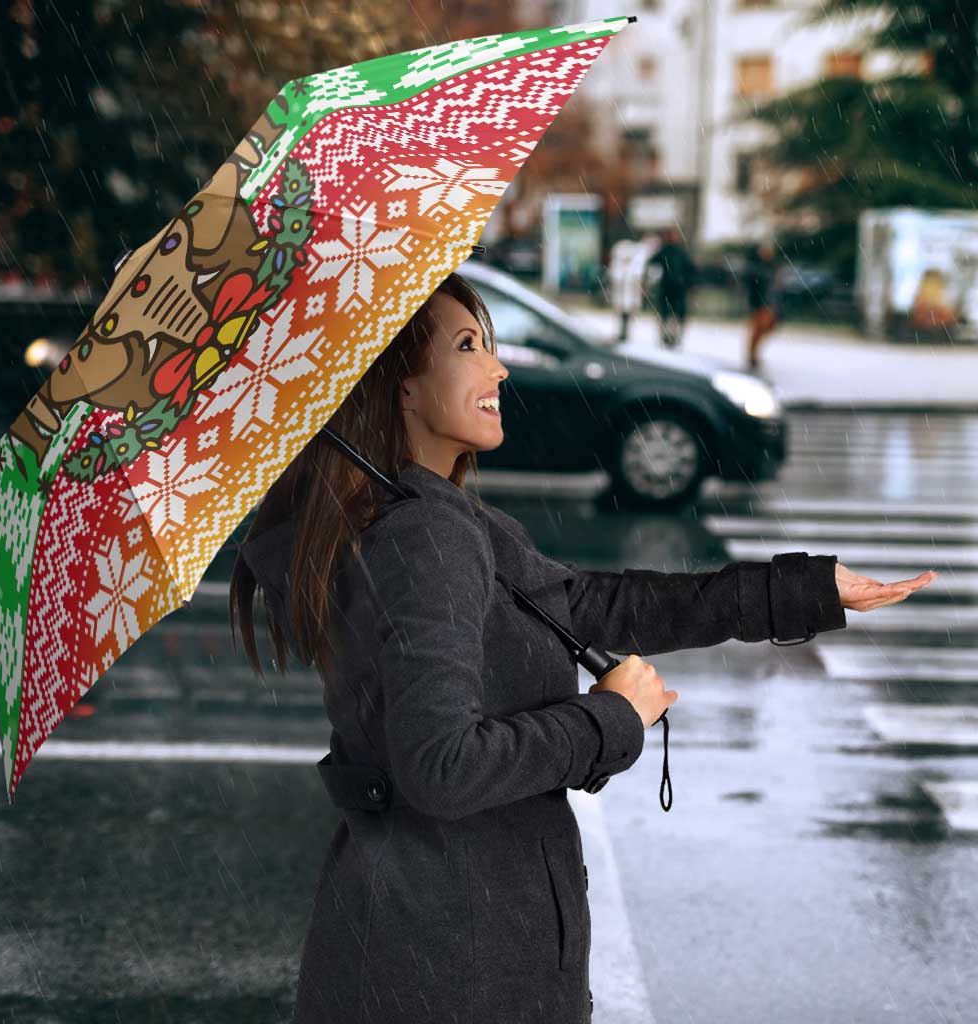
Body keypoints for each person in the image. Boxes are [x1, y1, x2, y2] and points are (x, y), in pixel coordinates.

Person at [229, 271, 914, 1024]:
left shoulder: (422, 519)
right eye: (468, 347)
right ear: (402, 387)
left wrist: (803, 590)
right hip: (454, 963)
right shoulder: (424, 537)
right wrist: (611, 719)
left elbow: (592, 605)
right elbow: (442, 767)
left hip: (426, 942)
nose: (499, 369)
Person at [646, 226, 696, 349]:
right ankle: (667, 337)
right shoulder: (668, 251)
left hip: (676, 289)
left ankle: (673, 337)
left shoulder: (678, 252)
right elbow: (652, 263)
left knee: (673, 315)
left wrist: (689, 284)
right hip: (670, 288)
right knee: (668, 314)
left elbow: (690, 270)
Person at [744, 240, 780, 370]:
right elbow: (753, 286)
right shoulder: (756, 267)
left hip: (768, 303)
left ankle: (753, 354)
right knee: (758, 329)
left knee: (767, 327)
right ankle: (752, 355)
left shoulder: (770, 266)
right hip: (759, 303)